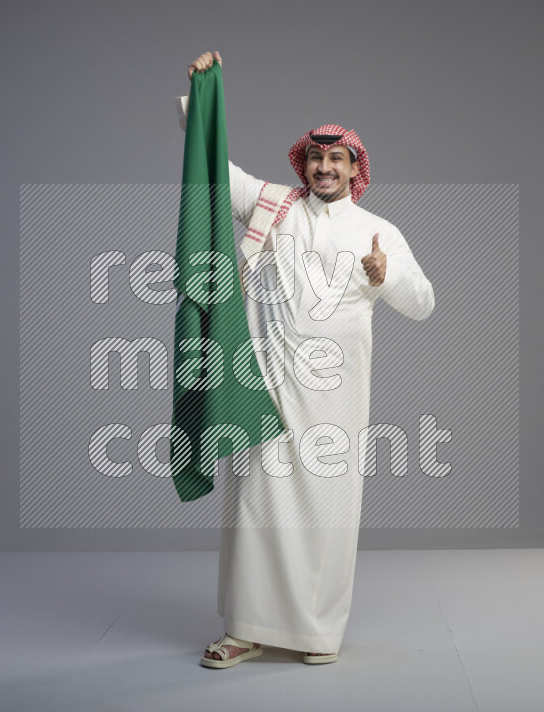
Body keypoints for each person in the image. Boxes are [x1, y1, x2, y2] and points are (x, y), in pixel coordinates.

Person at [176, 51, 435, 667]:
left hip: (336, 394)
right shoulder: (274, 206)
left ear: (353, 168)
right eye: (316, 158)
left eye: (336, 159)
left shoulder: (378, 229)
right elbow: (214, 161)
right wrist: (202, 88)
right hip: (265, 382)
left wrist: (386, 273)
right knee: (256, 506)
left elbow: (422, 303)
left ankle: (318, 633)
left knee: (326, 508)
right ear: (304, 163)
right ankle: (245, 628)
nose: (324, 167)